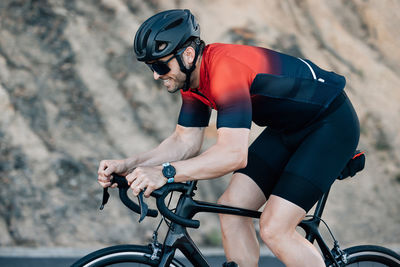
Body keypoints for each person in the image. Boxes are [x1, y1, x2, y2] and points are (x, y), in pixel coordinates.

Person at [97, 9, 360, 267]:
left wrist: (165, 172)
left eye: (160, 65)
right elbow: (184, 142)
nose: (156, 74)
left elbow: (234, 155)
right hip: (287, 128)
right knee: (231, 207)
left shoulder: (225, 70)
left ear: (188, 55)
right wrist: (129, 164)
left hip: (330, 124)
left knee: (275, 228)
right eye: (150, 67)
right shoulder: (194, 82)